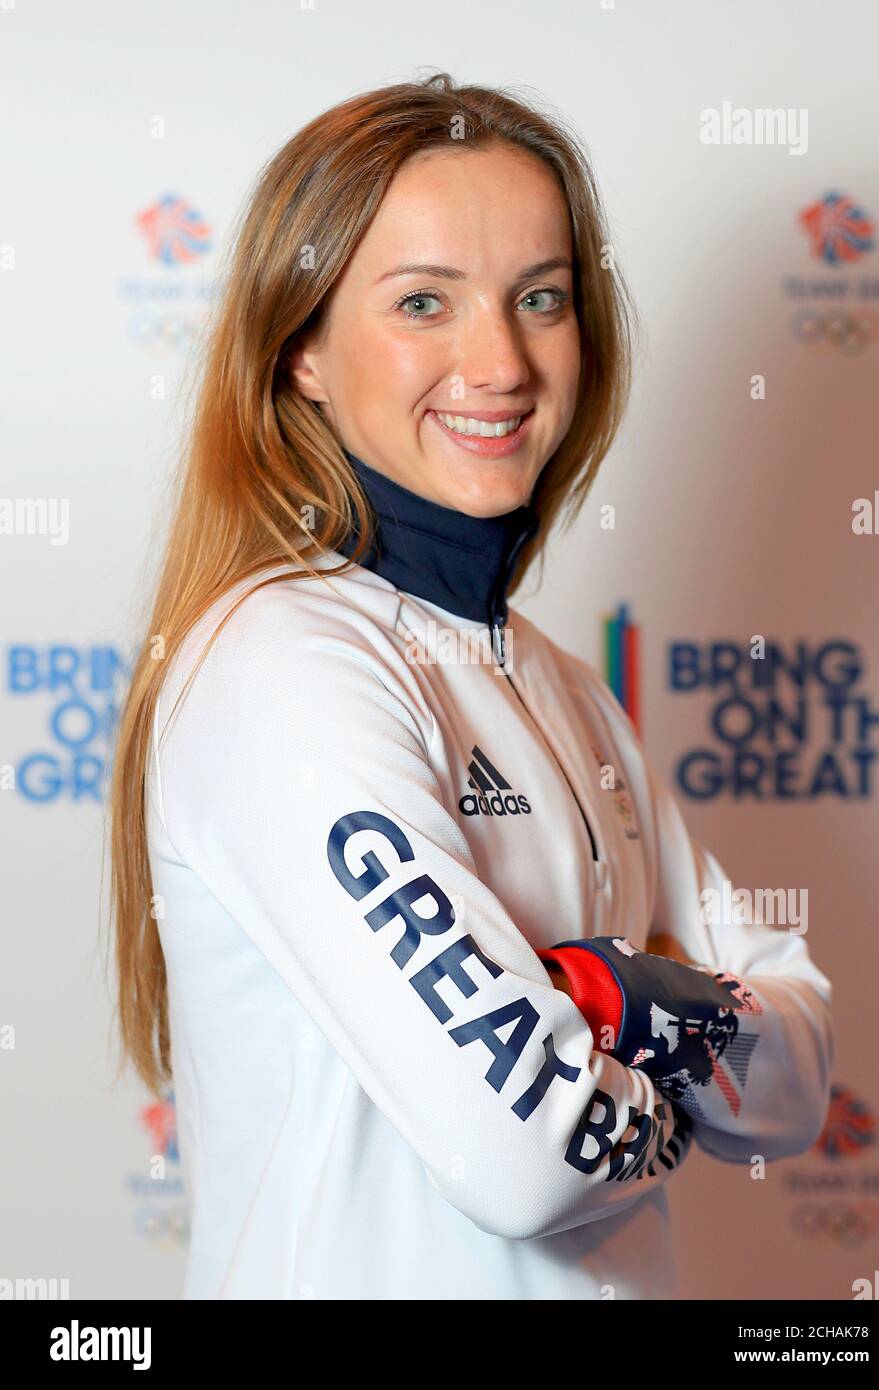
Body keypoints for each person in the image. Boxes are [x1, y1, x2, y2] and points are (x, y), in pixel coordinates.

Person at [109, 73, 834, 1300]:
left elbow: (800, 1081)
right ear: (302, 354)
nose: (497, 361)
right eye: (423, 302)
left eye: (538, 298)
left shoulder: (562, 685)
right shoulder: (282, 664)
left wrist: (604, 991)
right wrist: (686, 1046)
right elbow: (533, 1157)